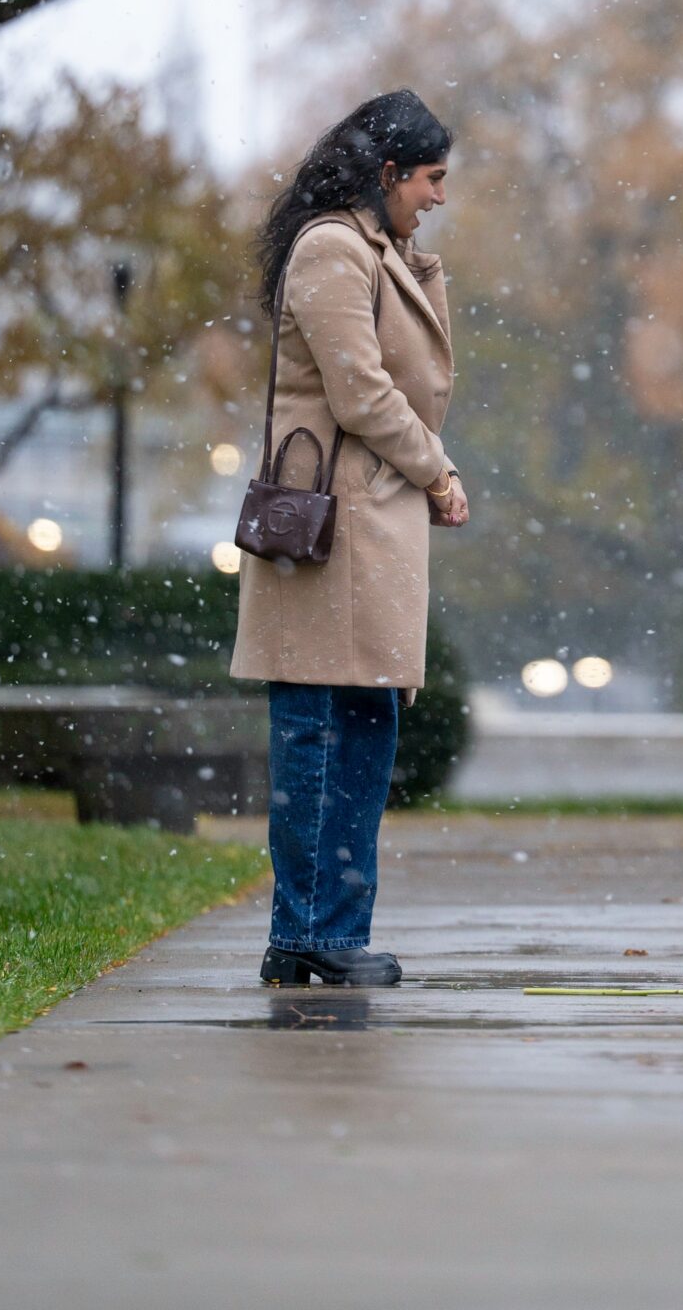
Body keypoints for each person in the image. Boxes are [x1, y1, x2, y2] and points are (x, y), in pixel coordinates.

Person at [231, 89, 469, 987]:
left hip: (367, 528)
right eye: (431, 179)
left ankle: (327, 933)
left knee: (357, 734)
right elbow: (361, 391)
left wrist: (413, 256)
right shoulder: (332, 248)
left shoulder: (372, 251)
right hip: (334, 531)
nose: (440, 196)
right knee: (321, 738)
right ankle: (309, 935)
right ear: (386, 173)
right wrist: (437, 471)